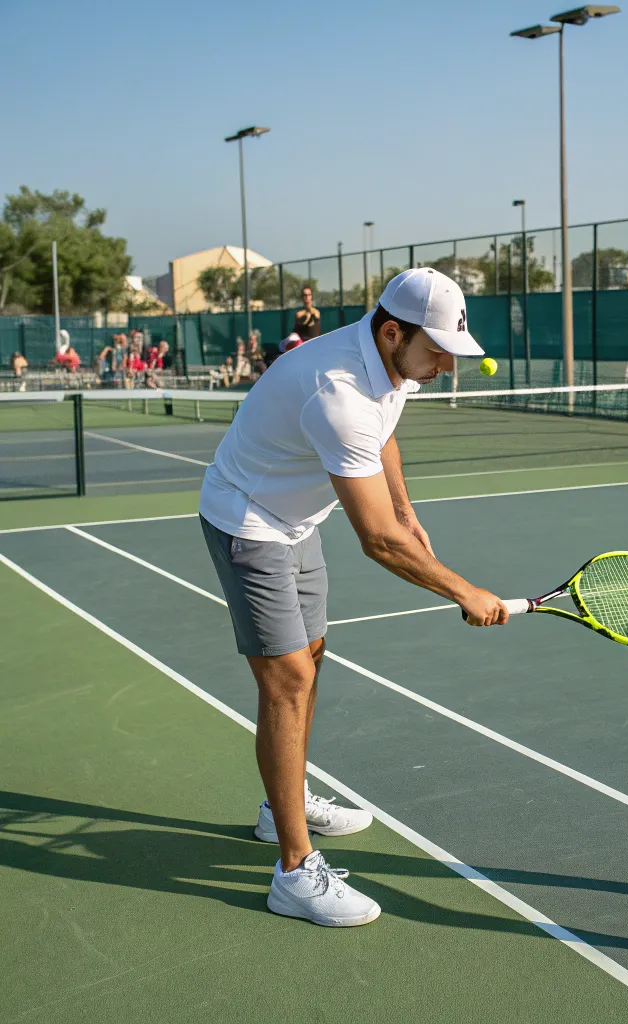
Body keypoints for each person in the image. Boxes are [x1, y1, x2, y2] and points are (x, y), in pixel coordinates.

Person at [198, 267, 507, 928]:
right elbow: (379, 544)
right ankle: (293, 870)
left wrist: (406, 507)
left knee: (311, 658)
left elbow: (384, 435)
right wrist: (464, 589)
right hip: (249, 521)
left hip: (298, 520)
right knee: (286, 682)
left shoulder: (394, 365)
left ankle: (282, 802)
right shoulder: (336, 389)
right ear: (393, 331)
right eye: (437, 352)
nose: (445, 369)